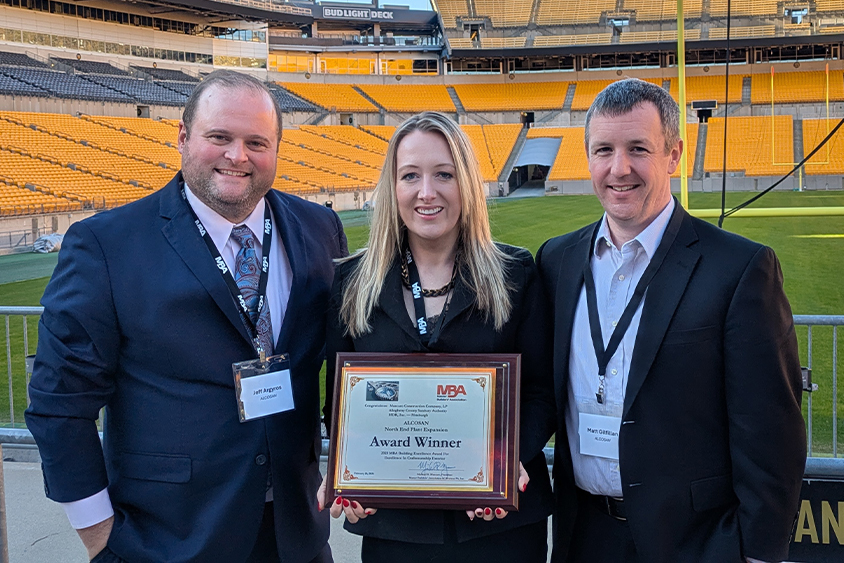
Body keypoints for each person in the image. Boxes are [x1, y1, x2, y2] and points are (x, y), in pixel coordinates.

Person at [25, 70, 347, 563]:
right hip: (167, 539)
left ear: (277, 149)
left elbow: (344, 359)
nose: (237, 156)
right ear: (182, 137)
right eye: (219, 137)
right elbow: (58, 401)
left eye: (256, 142)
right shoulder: (106, 245)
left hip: (295, 532)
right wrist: (99, 536)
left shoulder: (319, 227)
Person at [536, 78, 806, 563]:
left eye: (638, 148)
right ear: (588, 158)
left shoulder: (739, 268)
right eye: (604, 150)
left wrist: (758, 553)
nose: (619, 169)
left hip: (698, 543)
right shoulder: (557, 260)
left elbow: (771, 432)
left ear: (674, 155)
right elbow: (537, 388)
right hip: (585, 537)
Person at [319, 111, 555, 562]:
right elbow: (341, 398)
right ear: (394, 187)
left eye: (443, 174)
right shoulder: (351, 281)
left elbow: (542, 393)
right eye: (411, 176)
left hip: (499, 527)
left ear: (465, 182)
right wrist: (352, 475)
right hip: (395, 527)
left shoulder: (516, 272)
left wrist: (505, 467)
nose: (427, 193)